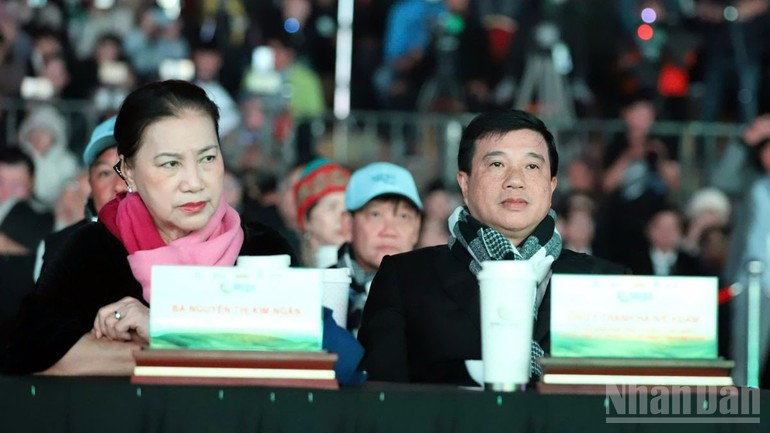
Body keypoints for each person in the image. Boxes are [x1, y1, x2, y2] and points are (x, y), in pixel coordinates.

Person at [2, 80, 362, 384]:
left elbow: (330, 358)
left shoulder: (262, 249)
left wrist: (165, 329)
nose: (194, 182)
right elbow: (28, 353)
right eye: (171, 164)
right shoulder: (93, 249)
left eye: (207, 158)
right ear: (128, 171)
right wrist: (181, 350)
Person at [357, 109, 626, 385]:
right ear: (465, 184)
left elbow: (628, 400)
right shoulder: (406, 279)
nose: (515, 180)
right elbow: (379, 398)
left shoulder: (608, 285)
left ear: (552, 185)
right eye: (497, 164)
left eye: (532, 166)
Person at [332, 162, 423, 335]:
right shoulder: (320, 293)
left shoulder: (437, 296)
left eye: (403, 216)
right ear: (348, 224)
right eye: (375, 215)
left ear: (417, 228)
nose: (389, 231)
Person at [33, 116, 127, 280]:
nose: (119, 185)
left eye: (128, 170)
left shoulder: (173, 243)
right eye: (105, 173)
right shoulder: (58, 248)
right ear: (90, 182)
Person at [293, 159, 351, 267]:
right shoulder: (291, 270)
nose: (342, 217)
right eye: (331, 207)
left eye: (347, 208)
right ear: (306, 221)